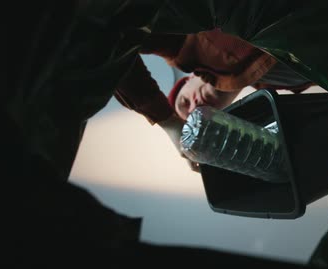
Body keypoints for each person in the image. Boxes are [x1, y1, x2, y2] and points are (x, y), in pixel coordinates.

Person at [114, 29, 315, 168]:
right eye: (195, 116)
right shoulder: (287, 84)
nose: (196, 106)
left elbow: (113, 40)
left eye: (185, 101)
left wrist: (169, 122)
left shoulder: (192, 42)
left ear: (190, 78)